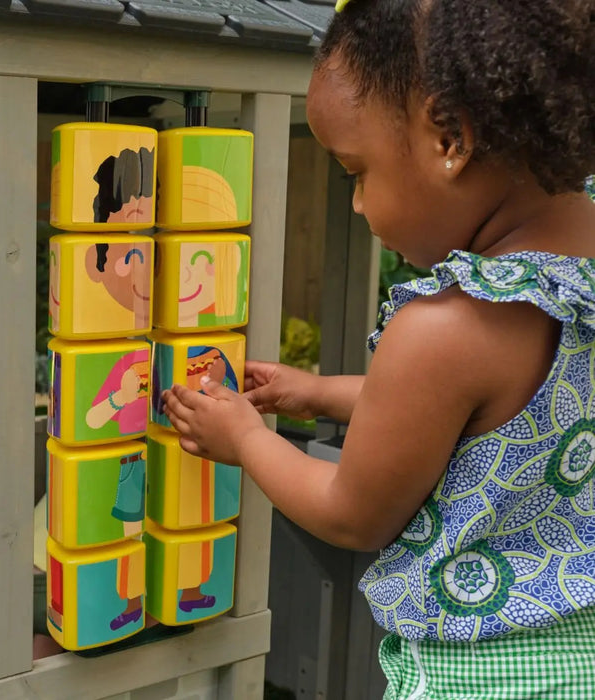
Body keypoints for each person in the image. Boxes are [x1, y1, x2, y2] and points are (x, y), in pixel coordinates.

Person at [161, 1, 595, 697]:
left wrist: (243, 437)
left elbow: (352, 511)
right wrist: (313, 391)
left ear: (449, 136)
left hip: (479, 679)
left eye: (355, 172)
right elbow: (491, 422)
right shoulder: (575, 273)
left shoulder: (448, 326)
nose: (359, 206)